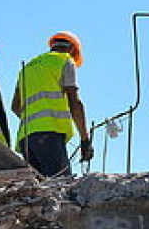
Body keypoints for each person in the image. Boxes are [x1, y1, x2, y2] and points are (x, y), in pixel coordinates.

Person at [11, 31, 91, 176]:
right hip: (49, 136)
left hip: (26, 139)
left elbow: (15, 106)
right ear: (72, 49)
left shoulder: (28, 67)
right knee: (61, 187)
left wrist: (35, 121)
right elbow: (74, 102)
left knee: (40, 191)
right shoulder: (65, 60)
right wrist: (85, 140)